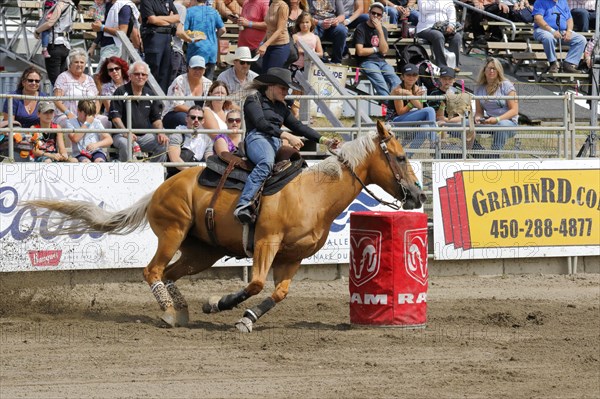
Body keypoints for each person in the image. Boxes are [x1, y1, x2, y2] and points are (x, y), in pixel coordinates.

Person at [233, 67, 340, 224]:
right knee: (266, 162)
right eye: (283, 88)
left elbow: (299, 126)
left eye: (287, 88)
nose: (286, 92)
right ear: (271, 86)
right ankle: (244, 205)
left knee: (298, 165)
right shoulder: (253, 100)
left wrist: (325, 140)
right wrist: (287, 135)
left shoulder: (282, 107)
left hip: (275, 141)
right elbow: (260, 123)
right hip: (256, 138)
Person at [109, 60, 169, 162]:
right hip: (122, 134)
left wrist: (161, 133)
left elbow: (156, 119)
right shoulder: (120, 91)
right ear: (130, 76)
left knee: (163, 142)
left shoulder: (150, 94)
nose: (140, 76)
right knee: (126, 144)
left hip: (144, 136)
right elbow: (115, 118)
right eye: (137, 74)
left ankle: (153, 175)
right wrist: (126, 133)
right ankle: (125, 173)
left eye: (143, 74)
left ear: (147, 77)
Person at [474, 57, 519, 156]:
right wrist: (478, 118)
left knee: (501, 125)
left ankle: (494, 156)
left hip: (508, 123)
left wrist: (497, 119)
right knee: (465, 123)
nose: (491, 71)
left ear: (498, 70)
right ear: (484, 70)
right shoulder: (479, 88)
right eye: (489, 68)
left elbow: (514, 111)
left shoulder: (506, 85)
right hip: (488, 121)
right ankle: (479, 154)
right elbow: (479, 111)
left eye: (494, 68)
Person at [353, 2, 400, 97]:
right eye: (373, 13)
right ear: (369, 13)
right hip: (367, 62)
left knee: (396, 81)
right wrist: (376, 49)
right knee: (381, 84)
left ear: (381, 16)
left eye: (378, 14)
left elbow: (384, 51)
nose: (375, 16)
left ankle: (395, 106)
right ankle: (390, 106)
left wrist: (380, 31)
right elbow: (360, 51)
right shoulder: (361, 28)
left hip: (382, 62)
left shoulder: (383, 30)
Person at [387, 63, 437, 151]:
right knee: (430, 110)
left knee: (425, 128)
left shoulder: (417, 88)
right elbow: (400, 112)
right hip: (395, 121)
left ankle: (408, 155)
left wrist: (411, 96)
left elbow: (420, 107)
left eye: (414, 75)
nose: (411, 77)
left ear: (417, 77)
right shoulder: (397, 90)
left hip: (410, 119)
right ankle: (434, 143)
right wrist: (411, 98)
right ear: (402, 77)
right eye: (408, 75)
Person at [52, 48, 106, 128]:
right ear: (70, 64)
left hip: (88, 116)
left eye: (82, 62)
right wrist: (68, 114)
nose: (79, 64)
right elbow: (57, 100)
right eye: (76, 62)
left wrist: (93, 115)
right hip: (67, 115)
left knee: (105, 121)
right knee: (71, 123)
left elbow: (97, 100)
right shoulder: (63, 77)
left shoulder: (89, 79)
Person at [533, 0, 587, 73]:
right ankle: (553, 63)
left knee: (581, 39)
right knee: (548, 37)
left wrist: (569, 31)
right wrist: (552, 31)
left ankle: (568, 64)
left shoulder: (563, 2)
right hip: (543, 30)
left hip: (561, 31)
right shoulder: (540, 1)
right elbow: (538, 19)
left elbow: (569, 19)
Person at [140, 0, 180, 93]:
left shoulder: (168, 1)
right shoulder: (146, 1)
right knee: (154, 69)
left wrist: (159, 19)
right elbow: (152, 19)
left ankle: (161, 102)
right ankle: (149, 98)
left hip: (167, 37)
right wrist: (169, 19)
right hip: (154, 37)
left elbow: (177, 18)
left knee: (166, 71)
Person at [163, 55, 213, 129]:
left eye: (200, 69)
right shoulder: (180, 80)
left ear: (204, 70)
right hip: (175, 115)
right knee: (186, 119)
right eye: (195, 68)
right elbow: (177, 106)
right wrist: (198, 113)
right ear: (188, 68)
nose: (197, 71)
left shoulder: (208, 83)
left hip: (199, 117)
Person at [34, 0, 77, 85]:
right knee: (61, 81)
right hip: (65, 45)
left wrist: (37, 31)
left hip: (55, 44)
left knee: (56, 82)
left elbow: (50, 23)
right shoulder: (73, 5)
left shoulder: (61, 4)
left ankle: (60, 98)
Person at [91, 0, 141, 67]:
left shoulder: (124, 6)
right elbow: (100, 29)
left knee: (100, 75)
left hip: (115, 47)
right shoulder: (106, 5)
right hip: (105, 46)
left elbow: (122, 32)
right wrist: (93, 46)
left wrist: (102, 27)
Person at [166, 105, 213, 178]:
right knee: (185, 155)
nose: (196, 120)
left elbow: (209, 157)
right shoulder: (178, 133)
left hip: (196, 173)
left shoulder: (207, 138)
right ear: (186, 119)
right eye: (193, 117)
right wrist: (193, 173)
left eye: (199, 118)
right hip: (177, 174)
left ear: (203, 121)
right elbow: (174, 159)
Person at [185, 0, 226, 80]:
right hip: (211, 50)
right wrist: (214, 37)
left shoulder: (189, 11)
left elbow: (184, 31)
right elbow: (223, 29)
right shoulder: (213, 11)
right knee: (208, 82)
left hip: (195, 50)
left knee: (193, 81)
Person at [416, 0, 462, 69]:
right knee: (438, 36)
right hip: (426, 27)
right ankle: (442, 66)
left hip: (443, 27)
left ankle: (453, 65)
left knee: (457, 37)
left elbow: (451, 12)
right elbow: (424, 10)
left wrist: (451, 25)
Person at [308, 0, 348, 64]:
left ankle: (336, 61)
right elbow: (305, 15)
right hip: (315, 23)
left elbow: (342, 15)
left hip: (332, 24)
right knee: (311, 32)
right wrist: (319, 22)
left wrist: (336, 20)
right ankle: (322, 60)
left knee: (342, 31)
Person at [260, 0, 291, 71]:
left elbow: (280, 29)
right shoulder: (272, 4)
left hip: (280, 46)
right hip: (269, 45)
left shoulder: (283, 6)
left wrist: (265, 45)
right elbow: (269, 28)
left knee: (272, 75)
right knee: (264, 75)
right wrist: (262, 43)